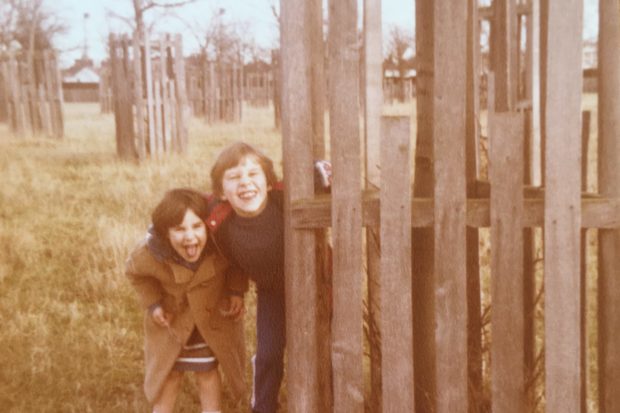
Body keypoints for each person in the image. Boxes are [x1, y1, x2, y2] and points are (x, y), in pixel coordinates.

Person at [125, 188, 248, 413]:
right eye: (179, 229)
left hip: (208, 324)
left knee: (208, 373)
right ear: (165, 233)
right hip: (173, 325)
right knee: (169, 375)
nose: (190, 236)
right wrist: (154, 304)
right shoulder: (151, 254)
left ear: (208, 225)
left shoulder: (221, 246)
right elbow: (136, 274)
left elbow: (237, 265)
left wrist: (235, 292)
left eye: (197, 226)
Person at [205, 142, 286, 413]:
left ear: (269, 181)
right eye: (234, 177)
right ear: (221, 192)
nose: (245, 182)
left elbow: (313, 177)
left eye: (254, 174)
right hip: (272, 290)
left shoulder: (281, 199)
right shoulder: (221, 221)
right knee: (268, 353)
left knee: (327, 345)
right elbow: (232, 259)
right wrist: (235, 290)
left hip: (318, 284)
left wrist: (320, 172)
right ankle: (263, 407)